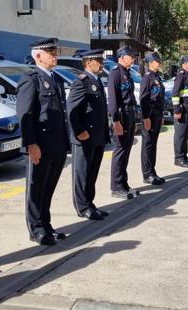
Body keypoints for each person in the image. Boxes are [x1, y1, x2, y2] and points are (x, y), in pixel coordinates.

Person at [17, 38, 70, 244]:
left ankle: (46, 224)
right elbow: (26, 115)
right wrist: (31, 144)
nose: (55, 56)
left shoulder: (55, 78)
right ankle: (36, 229)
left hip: (56, 144)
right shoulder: (30, 79)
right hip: (39, 145)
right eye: (51, 53)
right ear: (38, 56)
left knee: (48, 187)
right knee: (36, 188)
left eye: (55, 52)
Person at [66, 49, 110, 221]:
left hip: (97, 136)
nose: (101, 63)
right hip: (85, 137)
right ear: (88, 62)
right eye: (98, 60)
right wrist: (78, 131)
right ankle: (82, 207)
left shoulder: (97, 81)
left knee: (92, 173)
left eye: (101, 60)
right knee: (82, 173)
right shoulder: (81, 82)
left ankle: (90, 203)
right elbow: (72, 109)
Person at [108, 46, 139, 199]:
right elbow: (113, 100)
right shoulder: (115, 74)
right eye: (130, 56)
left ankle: (123, 183)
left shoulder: (127, 73)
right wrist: (116, 121)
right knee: (120, 151)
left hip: (130, 114)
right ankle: (116, 186)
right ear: (121, 57)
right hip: (121, 116)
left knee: (126, 151)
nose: (133, 58)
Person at [139, 52, 166, 185]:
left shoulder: (157, 77)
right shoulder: (147, 78)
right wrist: (146, 117)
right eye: (157, 61)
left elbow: (159, 99)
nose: (159, 63)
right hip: (149, 115)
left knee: (153, 144)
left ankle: (152, 171)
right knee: (147, 144)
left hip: (157, 114)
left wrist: (161, 115)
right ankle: (147, 174)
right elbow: (143, 100)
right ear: (151, 63)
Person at [172, 55, 188, 167]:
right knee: (180, 135)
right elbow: (175, 94)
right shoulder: (180, 76)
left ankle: (184, 155)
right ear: (185, 64)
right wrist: (177, 110)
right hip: (183, 109)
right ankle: (178, 158)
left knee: (186, 134)